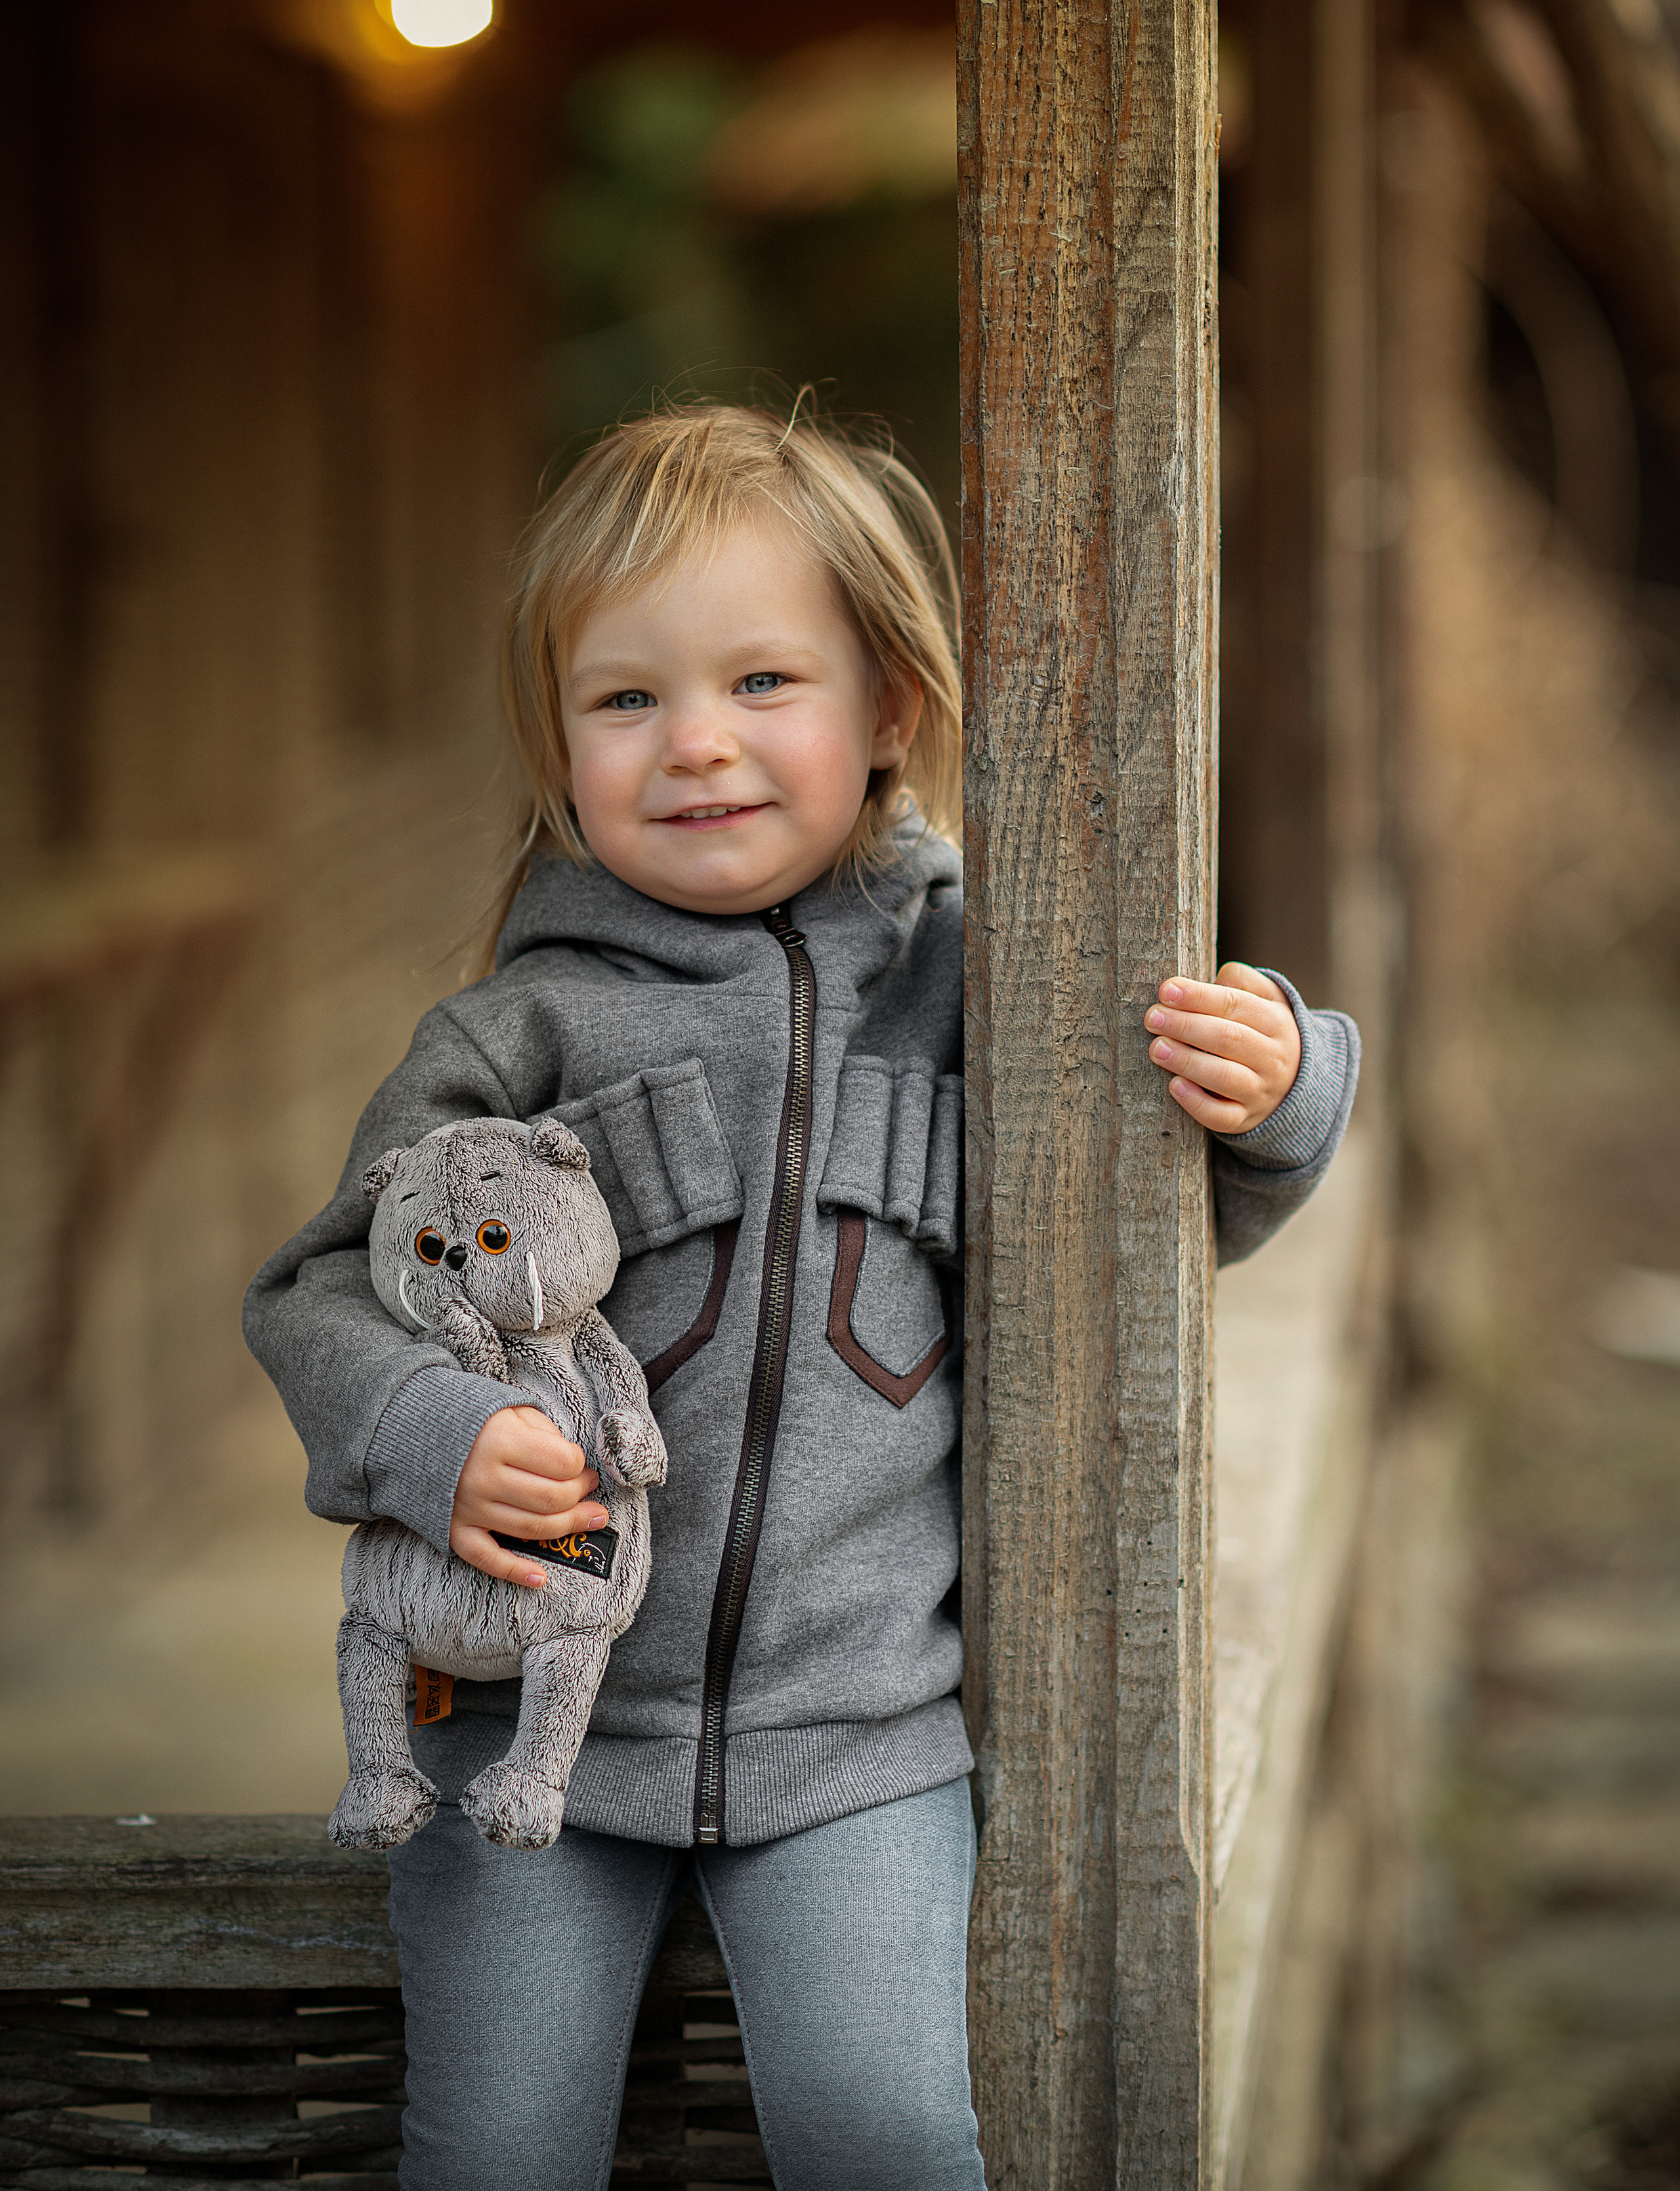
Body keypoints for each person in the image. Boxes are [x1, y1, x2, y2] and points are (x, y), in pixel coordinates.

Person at [245, 403, 1358, 2191]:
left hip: (860, 1742)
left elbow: (1168, 1225)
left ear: (889, 710)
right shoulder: (514, 1032)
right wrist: (436, 1436)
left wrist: (1283, 1081)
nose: (696, 743)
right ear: (556, 739)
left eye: (765, 681)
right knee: (496, 2154)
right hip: (529, 1745)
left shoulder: (984, 978)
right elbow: (315, 1296)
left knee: (891, 2137)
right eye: (626, 700)